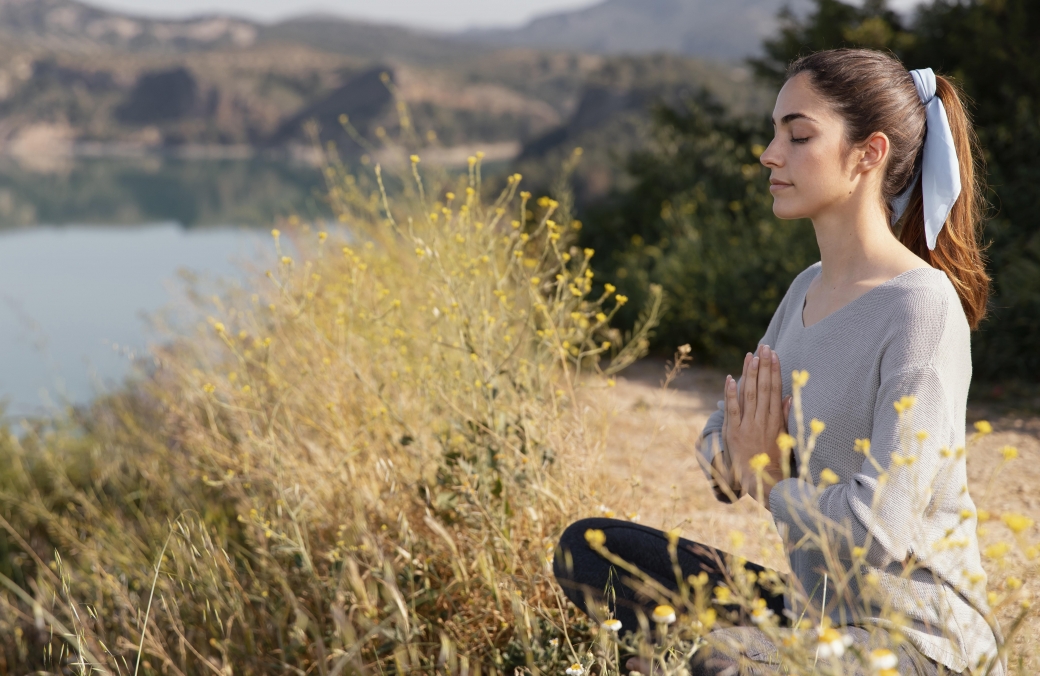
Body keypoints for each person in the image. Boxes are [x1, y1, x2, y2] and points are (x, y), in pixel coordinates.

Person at [553, 48, 1003, 675]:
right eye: (774, 134)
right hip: (818, 614)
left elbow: (881, 531)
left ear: (868, 154)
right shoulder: (807, 288)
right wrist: (748, 458)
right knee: (591, 552)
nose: (771, 153)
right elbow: (721, 436)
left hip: (916, 642)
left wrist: (772, 481)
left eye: (797, 135)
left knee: (724, 661)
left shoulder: (920, 308)